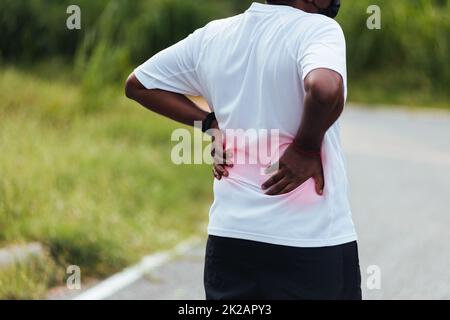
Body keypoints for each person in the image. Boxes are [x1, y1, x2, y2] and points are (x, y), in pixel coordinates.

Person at [125, 0, 361, 300]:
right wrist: (304, 147)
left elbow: (139, 84)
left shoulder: (214, 36)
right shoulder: (318, 29)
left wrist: (210, 123)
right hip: (309, 243)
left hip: (230, 241)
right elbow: (325, 89)